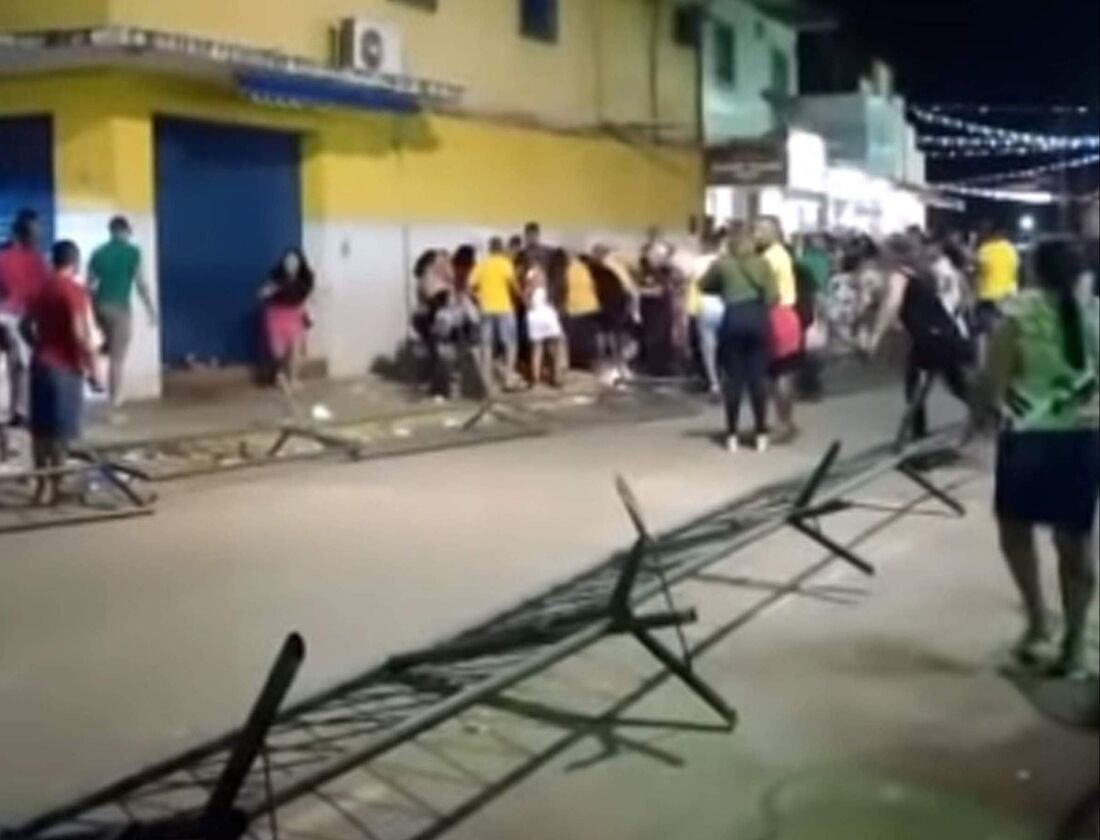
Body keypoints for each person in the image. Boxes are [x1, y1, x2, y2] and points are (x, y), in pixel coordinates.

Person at [975, 238, 1099, 677]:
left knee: (1016, 532)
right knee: (1076, 544)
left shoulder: (1016, 315)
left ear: (1034, 271)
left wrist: (983, 413)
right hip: (1081, 442)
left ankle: (1038, 620)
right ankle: (1075, 645)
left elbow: (993, 381)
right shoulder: (1094, 315)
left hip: (1027, 441)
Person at [867, 234, 974, 441]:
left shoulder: (900, 276)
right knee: (957, 385)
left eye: (885, 253)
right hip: (947, 335)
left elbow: (891, 306)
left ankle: (917, 438)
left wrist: (875, 337)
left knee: (915, 387)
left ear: (894, 255)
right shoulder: (923, 273)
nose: (882, 259)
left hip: (929, 340)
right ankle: (991, 414)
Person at [20, 240, 98, 506]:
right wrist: (93, 368)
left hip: (40, 366)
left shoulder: (41, 289)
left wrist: (40, 346)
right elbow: (79, 334)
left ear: (53, 260)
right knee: (61, 432)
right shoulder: (74, 291)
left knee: (40, 430)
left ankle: (41, 486)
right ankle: (58, 484)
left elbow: (24, 326)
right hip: (65, 369)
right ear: (75, 263)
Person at [701, 224, 779, 453]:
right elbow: (773, 297)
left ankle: (732, 435)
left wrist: (724, 289)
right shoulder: (763, 264)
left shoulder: (722, 264)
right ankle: (761, 434)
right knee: (757, 380)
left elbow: (704, 285)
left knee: (733, 379)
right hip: (756, 319)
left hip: (732, 318)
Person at [88, 215, 156, 413]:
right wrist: (151, 310)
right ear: (125, 231)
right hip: (120, 308)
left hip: (99, 306)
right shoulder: (132, 252)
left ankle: (92, 370)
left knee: (104, 347)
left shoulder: (98, 252)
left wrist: (91, 310)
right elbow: (140, 284)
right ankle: (114, 400)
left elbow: (89, 284)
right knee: (117, 358)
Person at [0, 209, 49, 427]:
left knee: (16, 366)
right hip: (25, 317)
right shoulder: (38, 260)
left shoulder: (6, 258)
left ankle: (16, 410)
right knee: (26, 366)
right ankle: (21, 410)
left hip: (11, 316)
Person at [755, 216, 801, 442]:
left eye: (761, 229)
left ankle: (783, 424)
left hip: (776, 315)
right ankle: (785, 422)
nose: (756, 233)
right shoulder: (780, 254)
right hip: (785, 314)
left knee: (777, 373)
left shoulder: (771, 257)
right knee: (780, 373)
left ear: (774, 232)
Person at [259, 247, 314, 395]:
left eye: (294, 261)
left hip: (294, 315)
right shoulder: (276, 278)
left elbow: (305, 299)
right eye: (288, 261)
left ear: (300, 263)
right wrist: (270, 290)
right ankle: (280, 377)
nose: (291, 264)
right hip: (276, 315)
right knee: (279, 353)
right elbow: (262, 294)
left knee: (296, 350)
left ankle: (293, 379)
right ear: (284, 263)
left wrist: (307, 315)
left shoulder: (305, 278)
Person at [471, 236, 520, 391]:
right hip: (504, 307)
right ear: (501, 248)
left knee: (486, 345)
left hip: (486, 309)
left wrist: (478, 298)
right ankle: (508, 379)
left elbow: (469, 286)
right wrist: (523, 298)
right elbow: (513, 285)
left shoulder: (482, 264)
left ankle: (486, 383)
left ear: (490, 248)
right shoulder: (505, 263)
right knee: (510, 343)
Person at [412, 249, 455, 400]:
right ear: (432, 262)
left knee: (436, 354)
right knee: (440, 354)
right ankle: (440, 389)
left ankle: (434, 386)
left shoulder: (428, 276)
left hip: (426, 318)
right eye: (439, 259)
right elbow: (435, 299)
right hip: (430, 318)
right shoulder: (430, 277)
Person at [687, 231, 723, 395]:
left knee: (707, 346)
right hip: (725, 304)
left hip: (704, 306)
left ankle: (713, 382)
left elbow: (691, 280)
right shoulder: (724, 261)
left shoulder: (698, 262)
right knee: (725, 345)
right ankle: (726, 376)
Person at [974, 221, 1020, 342]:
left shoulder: (985, 249)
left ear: (991, 233)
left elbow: (978, 271)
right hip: (1008, 296)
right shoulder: (1012, 249)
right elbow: (1016, 270)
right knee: (1006, 334)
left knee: (986, 334)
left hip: (988, 296)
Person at [524, 260, 565, 388]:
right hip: (546, 316)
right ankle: (556, 377)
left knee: (538, 347)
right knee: (556, 344)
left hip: (534, 317)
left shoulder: (530, 287)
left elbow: (526, 302)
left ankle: (535, 377)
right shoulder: (540, 285)